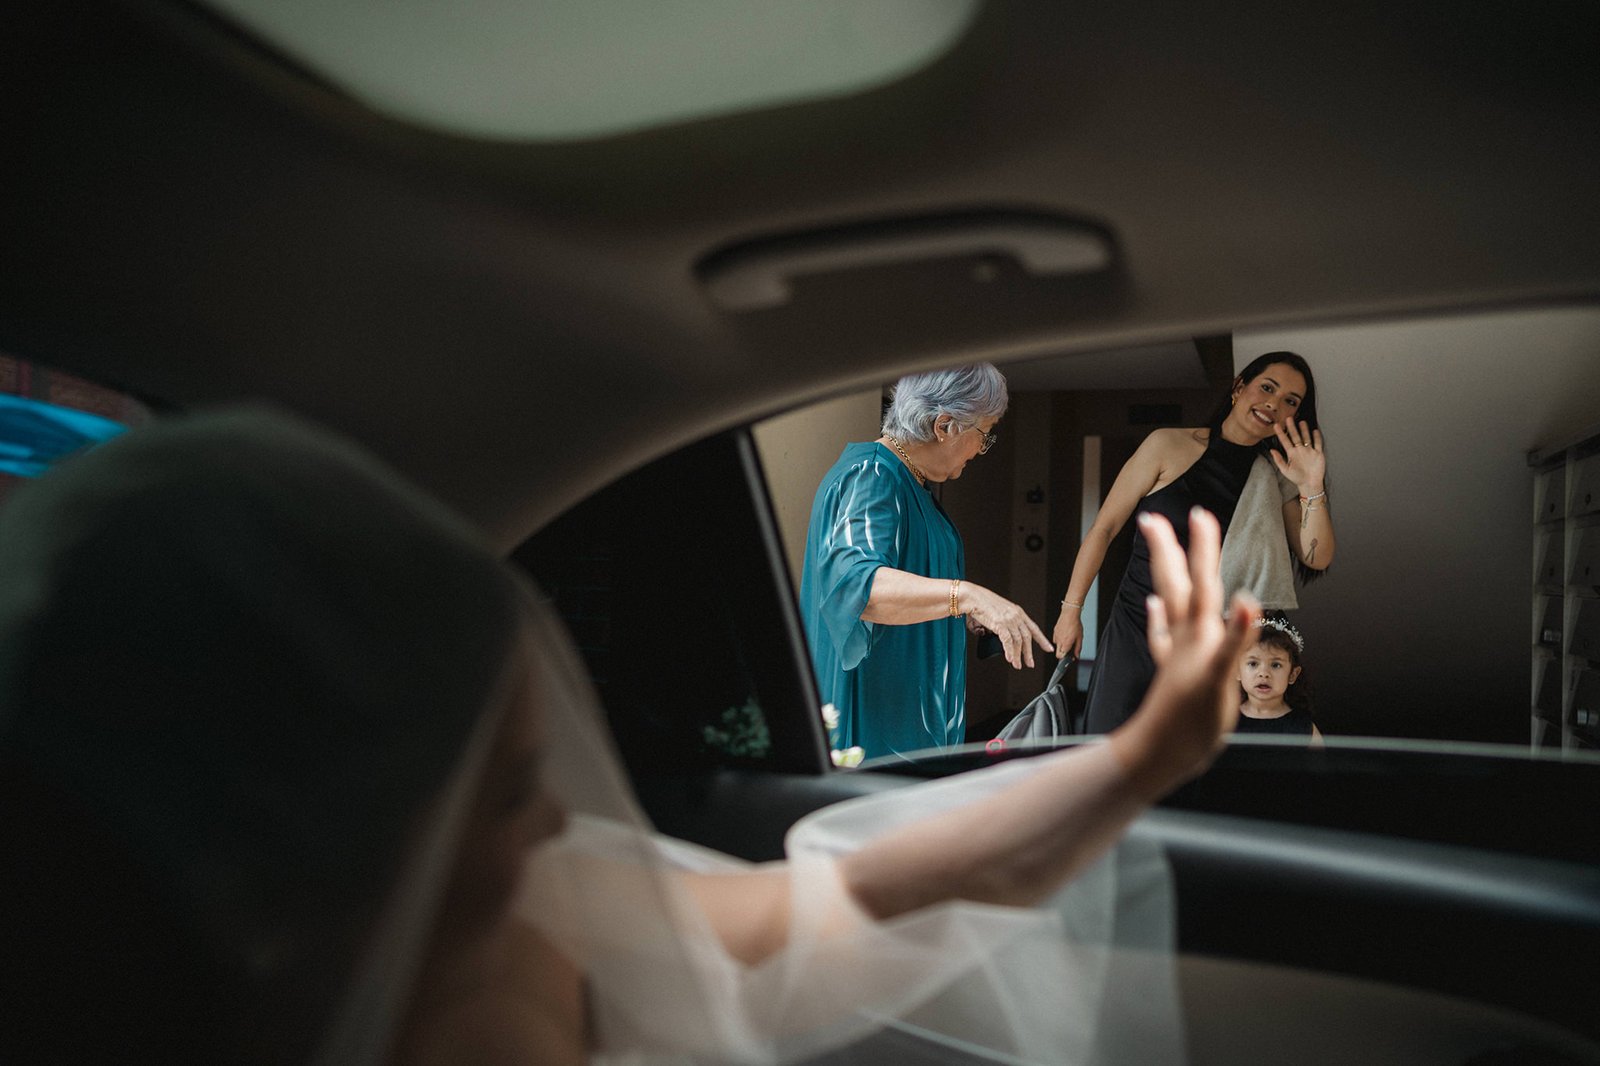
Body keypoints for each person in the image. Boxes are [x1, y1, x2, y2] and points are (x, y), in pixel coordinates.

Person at [0, 408, 1260, 1065]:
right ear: (326, 821)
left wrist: (1143, 758)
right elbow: (852, 590)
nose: (559, 816)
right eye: (507, 791)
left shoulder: (538, 924)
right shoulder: (869, 480)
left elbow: (860, 896)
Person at [1052, 351, 1337, 734]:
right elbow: (1104, 528)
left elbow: (1316, 556)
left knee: (1186, 754)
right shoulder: (1166, 444)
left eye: (1290, 401)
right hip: (1136, 626)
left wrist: (1312, 485)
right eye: (1267, 388)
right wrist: (1071, 611)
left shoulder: (1277, 474)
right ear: (1239, 388)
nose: (1274, 404)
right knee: (1109, 744)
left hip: (1210, 642)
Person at [799, 364, 1053, 759]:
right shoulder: (871, 476)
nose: (981, 450)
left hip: (911, 716)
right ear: (945, 426)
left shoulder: (911, 483)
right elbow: (860, 589)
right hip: (876, 722)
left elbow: (909, 583)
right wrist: (966, 596)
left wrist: (961, 610)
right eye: (984, 434)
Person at [1235, 615, 1323, 743]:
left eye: (1275, 665)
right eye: (1253, 664)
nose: (1264, 673)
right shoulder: (1225, 721)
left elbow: (1319, 756)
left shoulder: (1303, 727)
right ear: (1237, 671)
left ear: (1292, 674)